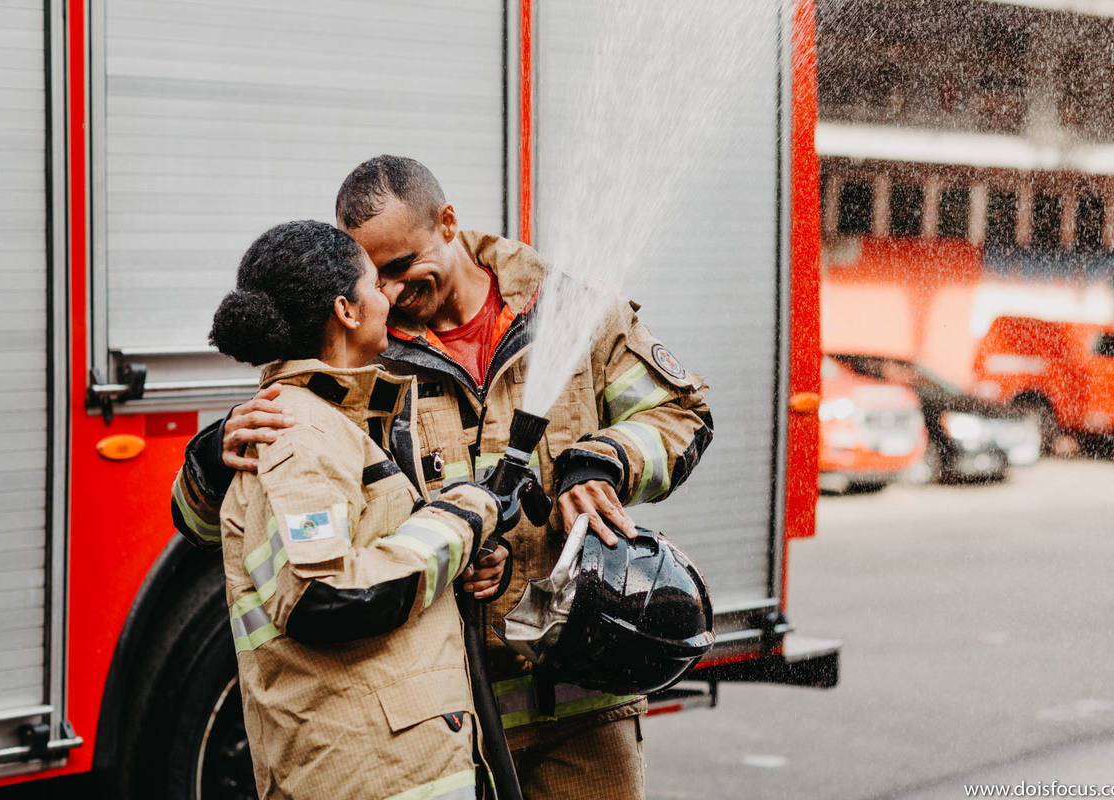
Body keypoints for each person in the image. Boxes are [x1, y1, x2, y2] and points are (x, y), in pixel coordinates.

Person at [173, 157, 714, 799]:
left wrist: (605, 460)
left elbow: (681, 413)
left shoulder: (569, 308)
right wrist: (214, 459)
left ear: (448, 223)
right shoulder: (358, 353)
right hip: (443, 716)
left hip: (580, 695)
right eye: (375, 274)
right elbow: (233, 524)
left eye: (403, 265)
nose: (392, 291)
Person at [204, 218, 510, 799]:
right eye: (374, 283)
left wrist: (464, 555)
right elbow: (325, 595)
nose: (389, 296)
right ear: (346, 310)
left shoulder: (329, 421)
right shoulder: (301, 434)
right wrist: (462, 518)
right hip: (371, 773)